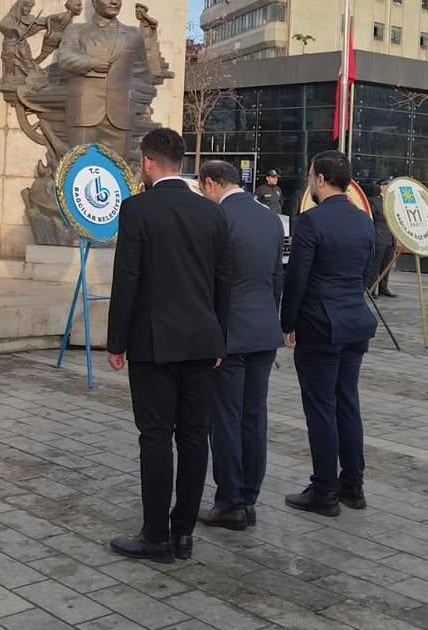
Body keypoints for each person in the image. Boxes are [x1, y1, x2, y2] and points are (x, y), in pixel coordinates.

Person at [106, 127, 233, 563]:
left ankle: (155, 535)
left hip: (153, 342)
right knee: (195, 436)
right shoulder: (212, 213)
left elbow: (128, 278)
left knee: (156, 437)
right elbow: (223, 281)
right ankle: (183, 534)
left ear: (147, 162)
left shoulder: (137, 209)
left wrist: (116, 341)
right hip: (202, 341)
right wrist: (221, 337)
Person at [281, 150, 377, 516]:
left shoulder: (309, 222)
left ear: (320, 179)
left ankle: (323, 491)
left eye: (310, 175)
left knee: (321, 408)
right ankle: (352, 485)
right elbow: (367, 274)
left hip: (320, 324)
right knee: (347, 402)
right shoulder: (364, 221)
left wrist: (287, 323)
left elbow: (297, 277)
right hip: (355, 321)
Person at [197, 160, 284, 530]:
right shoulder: (269, 217)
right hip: (264, 330)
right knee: (254, 415)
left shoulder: (218, 218)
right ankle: (249, 496)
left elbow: (208, 281)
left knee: (226, 418)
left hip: (230, 333)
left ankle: (230, 500)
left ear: (212, 183)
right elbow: (277, 277)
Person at [57, 0, 152, 159]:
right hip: (84, 112)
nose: (114, 1)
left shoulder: (132, 35)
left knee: (117, 172)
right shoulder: (76, 30)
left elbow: (143, 74)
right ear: (94, 2)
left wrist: (136, 102)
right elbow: (64, 58)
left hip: (121, 115)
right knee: (78, 168)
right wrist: (91, 62)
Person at [0, 0, 44, 83]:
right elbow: (2, 24)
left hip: (22, 45)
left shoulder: (30, 18)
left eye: (30, 7)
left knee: (28, 61)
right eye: (26, 6)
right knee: (11, 56)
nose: (28, 9)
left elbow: (40, 24)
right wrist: (16, 29)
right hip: (11, 44)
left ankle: (30, 76)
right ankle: (10, 78)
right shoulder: (10, 17)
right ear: (20, 6)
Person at [369, 178, 396, 298]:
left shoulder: (394, 201)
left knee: (387, 264)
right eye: (387, 185)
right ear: (382, 187)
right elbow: (371, 219)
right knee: (376, 265)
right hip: (379, 237)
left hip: (391, 237)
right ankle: (372, 288)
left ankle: (383, 288)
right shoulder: (374, 202)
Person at [35, 0, 83, 64]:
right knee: (44, 55)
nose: (81, 8)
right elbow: (49, 18)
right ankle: (32, 66)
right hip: (52, 38)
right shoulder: (63, 16)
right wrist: (49, 31)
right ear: (71, 7)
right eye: (78, 5)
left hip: (59, 38)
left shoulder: (69, 18)